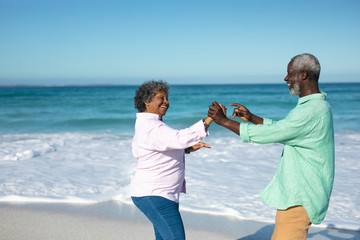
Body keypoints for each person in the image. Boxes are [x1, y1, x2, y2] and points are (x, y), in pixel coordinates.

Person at [208, 53, 335, 240]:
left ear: (303, 75)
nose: (286, 78)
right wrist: (253, 118)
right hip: (298, 196)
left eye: (289, 73)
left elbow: (271, 134)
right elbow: (284, 130)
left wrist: (224, 121)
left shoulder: (311, 111)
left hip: (300, 197)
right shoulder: (315, 107)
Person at [130, 80, 213, 240]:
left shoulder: (149, 125)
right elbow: (179, 138)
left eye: (167, 99)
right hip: (155, 194)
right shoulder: (151, 127)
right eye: (161, 98)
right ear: (147, 101)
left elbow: (158, 149)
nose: (166, 102)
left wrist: (186, 149)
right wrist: (209, 120)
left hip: (158, 194)